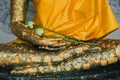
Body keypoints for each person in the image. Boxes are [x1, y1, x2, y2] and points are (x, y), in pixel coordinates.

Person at [0, 0, 120, 76]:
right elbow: (16, 23)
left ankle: (54, 64)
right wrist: (38, 40)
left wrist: (70, 48)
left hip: (82, 41)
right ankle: (64, 60)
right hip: (41, 44)